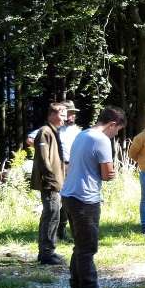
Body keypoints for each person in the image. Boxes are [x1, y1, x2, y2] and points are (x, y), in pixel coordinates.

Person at [61, 106, 127, 288]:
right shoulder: (102, 140)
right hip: (86, 199)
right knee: (88, 249)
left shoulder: (83, 134)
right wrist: (110, 173)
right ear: (112, 124)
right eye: (118, 130)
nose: (116, 134)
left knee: (79, 247)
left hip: (69, 195)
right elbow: (108, 174)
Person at [29, 103, 68, 265]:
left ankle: (45, 252)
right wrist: (53, 181)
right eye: (62, 114)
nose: (65, 118)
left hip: (55, 183)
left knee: (51, 216)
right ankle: (47, 253)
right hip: (50, 184)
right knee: (51, 217)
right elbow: (44, 160)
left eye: (66, 115)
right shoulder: (45, 132)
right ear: (52, 115)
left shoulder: (53, 131)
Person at [56, 102, 83, 240]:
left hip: (75, 167)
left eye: (73, 113)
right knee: (58, 199)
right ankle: (57, 230)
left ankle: (63, 229)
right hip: (60, 167)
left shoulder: (78, 131)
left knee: (71, 199)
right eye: (69, 112)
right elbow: (32, 139)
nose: (72, 115)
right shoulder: (56, 130)